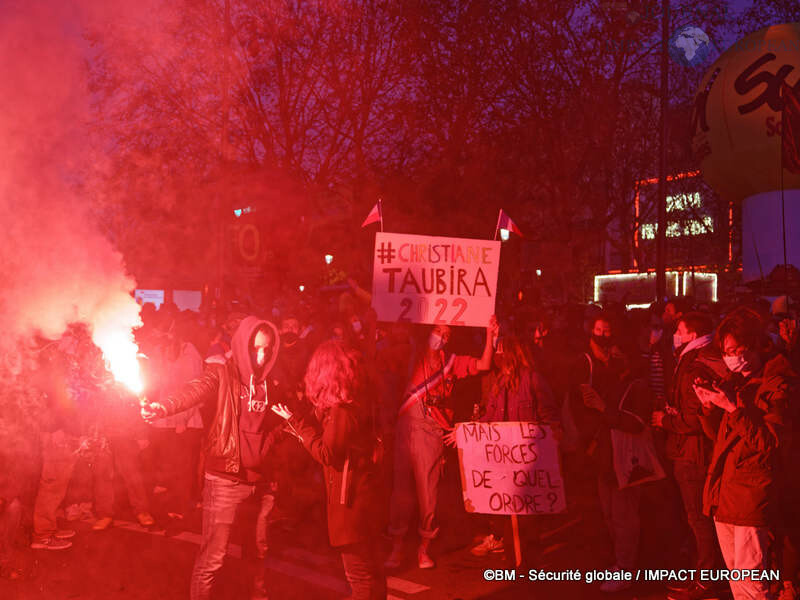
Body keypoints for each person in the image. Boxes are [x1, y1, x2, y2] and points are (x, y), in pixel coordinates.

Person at [141, 316, 283, 600]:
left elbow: (283, 420)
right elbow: (194, 390)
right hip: (225, 481)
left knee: (257, 553)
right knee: (213, 559)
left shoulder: (272, 381)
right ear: (242, 345)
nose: (261, 355)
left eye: (267, 349)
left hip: (261, 482)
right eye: (256, 348)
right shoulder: (221, 374)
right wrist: (162, 407)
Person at [271, 341, 387, 600]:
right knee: (373, 573)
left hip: (352, 505)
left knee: (359, 577)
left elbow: (327, 453)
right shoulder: (359, 402)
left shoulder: (342, 412)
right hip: (366, 498)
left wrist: (296, 426)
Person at [695, 307, 796, 600]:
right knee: (737, 580)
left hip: (751, 495)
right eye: (727, 351)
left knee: (752, 582)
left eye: (739, 349)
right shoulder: (736, 383)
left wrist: (733, 408)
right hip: (725, 493)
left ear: (757, 346)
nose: (733, 356)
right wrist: (707, 406)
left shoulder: (779, 384)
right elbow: (720, 438)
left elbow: (770, 443)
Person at [385, 316, 498, 569]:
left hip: (433, 432)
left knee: (429, 495)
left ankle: (424, 549)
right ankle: (397, 547)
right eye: (437, 330)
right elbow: (381, 358)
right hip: (406, 429)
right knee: (401, 493)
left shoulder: (451, 362)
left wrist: (490, 334)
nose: (441, 337)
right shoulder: (410, 354)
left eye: (446, 334)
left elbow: (484, 364)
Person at [569, 314, 651, 593]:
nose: (610, 351)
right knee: (610, 513)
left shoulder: (637, 385)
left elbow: (635, 422)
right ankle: (618, 562)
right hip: (606, 456)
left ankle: (626, 567)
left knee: (624, 514)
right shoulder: (613, 380)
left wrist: (604, 409)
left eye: (616, 350)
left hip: (626, 459)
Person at [462, 335, 560, 557]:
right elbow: (490, 416)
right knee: (507, 513)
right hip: (504, 462)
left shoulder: (534, 380)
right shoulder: (499, 383)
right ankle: (512, 561)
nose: (498, 355)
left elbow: (550, 417)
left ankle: (529, 563)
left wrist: (547, 439)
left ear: (514, 354)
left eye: (502, 350)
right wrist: (468, 431)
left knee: (527, 518)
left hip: (528, 462)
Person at [652, 312, 724, 599]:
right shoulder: (696, 359)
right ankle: (705, 575)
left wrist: (665, 421)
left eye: (680, 330)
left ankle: (706, 580)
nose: (675, 334)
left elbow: (694, 419)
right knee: (699, 517)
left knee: (698, 518)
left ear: (692, 335)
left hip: (691, 454)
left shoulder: (696, 365)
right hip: (690, 451)